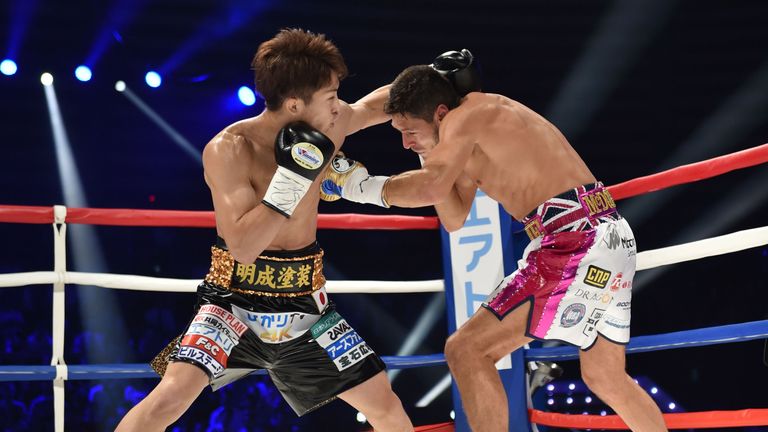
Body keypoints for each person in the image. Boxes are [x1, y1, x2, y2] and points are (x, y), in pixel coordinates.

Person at [321, 50, 668, 431]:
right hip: (601, 236)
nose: (404, 143)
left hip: (574, 240)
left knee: (466, 349)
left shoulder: (472, 113)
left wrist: (355, 184)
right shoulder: (462, 142)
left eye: (410, 133)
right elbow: (453, 216)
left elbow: (431, 183)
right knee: (605, 377)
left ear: (439, 112)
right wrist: (425, 152)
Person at [115, 28, 413, 432]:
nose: (337, 108)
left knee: (385, 405)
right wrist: (292, 179)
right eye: (329, 98)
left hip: (307, 304)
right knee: (167, 400)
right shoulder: (229, 148)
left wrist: (434, 78)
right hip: (233, 300)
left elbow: (375, 106)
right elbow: (242, 246)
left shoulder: (327, 126)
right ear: (293, 104)